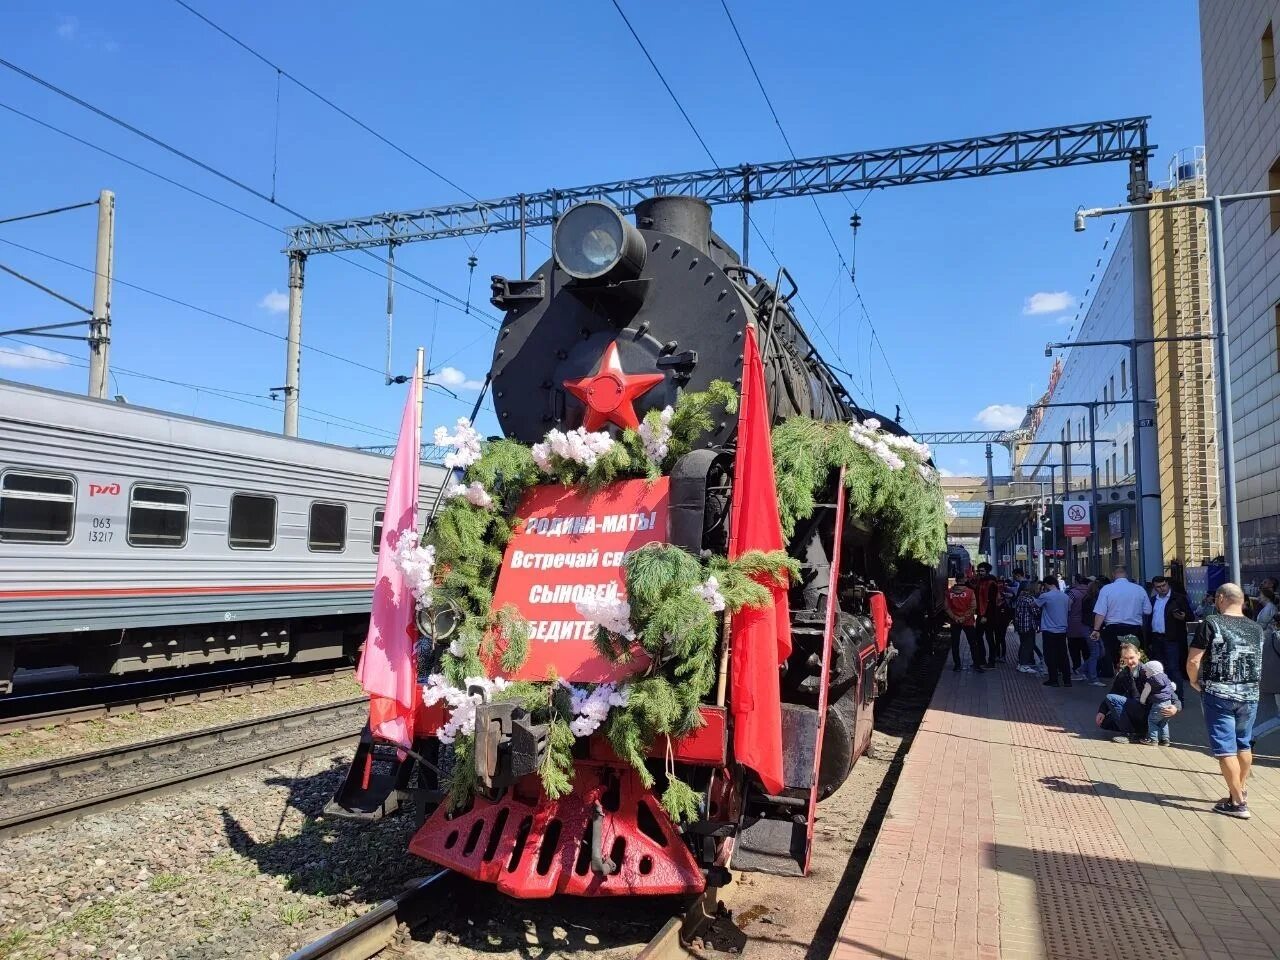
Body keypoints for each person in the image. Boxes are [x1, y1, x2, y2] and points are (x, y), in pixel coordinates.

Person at [1188, 582, 1266, 820]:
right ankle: (1239, 791)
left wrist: (1194, 682)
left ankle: (1238, 803)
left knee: (1225, 748)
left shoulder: (1211, 623)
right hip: (1250, 694)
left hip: (1219, 693)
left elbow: (1193, 661)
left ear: (1221, 598)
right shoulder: (1256, 628)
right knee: (1243, 743)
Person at [1096, 641, 1180, 742]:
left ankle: (1129, 734)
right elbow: (1114, 691)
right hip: (1135, 707)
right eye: (1126, 658)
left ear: (1138, 655)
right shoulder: (1124, 674)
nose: (1129, 661)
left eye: (1131, 658)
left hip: (1148, 710)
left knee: (1111, 699)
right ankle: (1140, 732)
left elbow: (1168, 690)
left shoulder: (1149, 671)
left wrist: (1176, 707)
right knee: (1105, 722)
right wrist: (1102, 711)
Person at [1091, 566, 1151, 676]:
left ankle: (1121, 678)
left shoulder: (1107, 589)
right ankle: (1135, 678)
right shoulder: (1139, 589)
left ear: (1113, 575)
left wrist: (1096, 629)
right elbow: (1148, 610)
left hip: (1113, 629)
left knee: (1117, 657)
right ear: (1127, 575)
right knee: (1135, 656)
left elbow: (1101, 612)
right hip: (1134, 629)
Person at [1148, 576, 1191, 684]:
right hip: (1156, 637)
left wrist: (1183, 616)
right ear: (1155, 588)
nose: (1162, 588)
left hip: (1172, 638)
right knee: (1158, 667)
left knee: (1173, 668)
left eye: (1164, 585)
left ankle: (1177, 695)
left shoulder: (1178, 598)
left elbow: (1190, 616)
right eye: (1158, 587)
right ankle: (1163, 692)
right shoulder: (1153, 600)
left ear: (1168, 584)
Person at [1035, 577, 1072, 687]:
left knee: (1050, 655)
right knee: (1063, 655)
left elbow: (1034, 605)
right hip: (1062, 630)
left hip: (1049, 630)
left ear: (1047, 584)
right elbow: (1068, 610)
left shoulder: (1045, 596)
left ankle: (1053, 679)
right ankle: (1067, 680)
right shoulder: (1066, 597)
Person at [945, 575, 984, 674]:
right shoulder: (970, 592)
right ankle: (977, 665)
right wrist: (964, 617)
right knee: (973, 644)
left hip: (955, 622)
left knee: (955, 644)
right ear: (965, 580)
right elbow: (973, 607)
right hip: (968, 621)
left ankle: (957, 666)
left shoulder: (949, 592)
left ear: (956, 581)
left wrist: (955, 618)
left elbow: (947, 607)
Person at [1138, 660, 1176, 745]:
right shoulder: (1165, 677)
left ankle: (1153, 739)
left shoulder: (1150, 681)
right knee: (1164, 722)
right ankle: (1165, 739)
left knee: (1152, 721)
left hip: (1158, 704)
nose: (1145, 673)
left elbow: (1145, 692)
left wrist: (1142, 701)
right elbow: (1172, 686)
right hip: (1168, 703)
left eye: (1146, 671)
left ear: (1152, 670)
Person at [973, 562, 1002, 666]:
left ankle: (991, 661)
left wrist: (985, 616)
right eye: (979, 571)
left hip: (989, 615)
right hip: (981, 613)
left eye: (982, 571)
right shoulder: (979, 581)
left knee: (989, 638)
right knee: (979, 637)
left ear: (987, 571)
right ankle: (982, 659)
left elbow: (992, 602)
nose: (980, 573)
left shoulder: (991, 582)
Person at [1013, 580, 1042, 674]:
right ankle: (1024, 665)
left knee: (1024, 644)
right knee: (1028, 645)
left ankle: (1021, 663)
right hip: (1029, 625)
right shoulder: (1030, 599)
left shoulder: (1021, 598)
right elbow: (1036, 612)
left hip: (1021, 625)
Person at [1066, 575, 1091, 681]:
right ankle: (1088, 670)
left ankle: (1077, 669)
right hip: (1089, 625)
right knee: (1087, 649)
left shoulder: (1072, 593)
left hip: (1074, 625)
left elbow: (1067, 607)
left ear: (1076, 582)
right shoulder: (1092, 592)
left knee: (1074, 649)